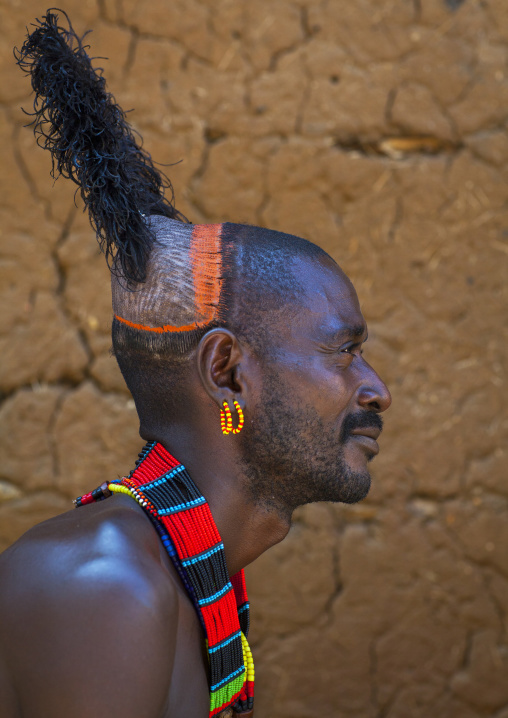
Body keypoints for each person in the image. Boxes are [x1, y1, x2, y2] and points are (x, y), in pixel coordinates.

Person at [0, 10, 391, 718]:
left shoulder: (189, 576)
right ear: (226, 373)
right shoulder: (103, 590)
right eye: (345, 352)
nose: (376, 389)